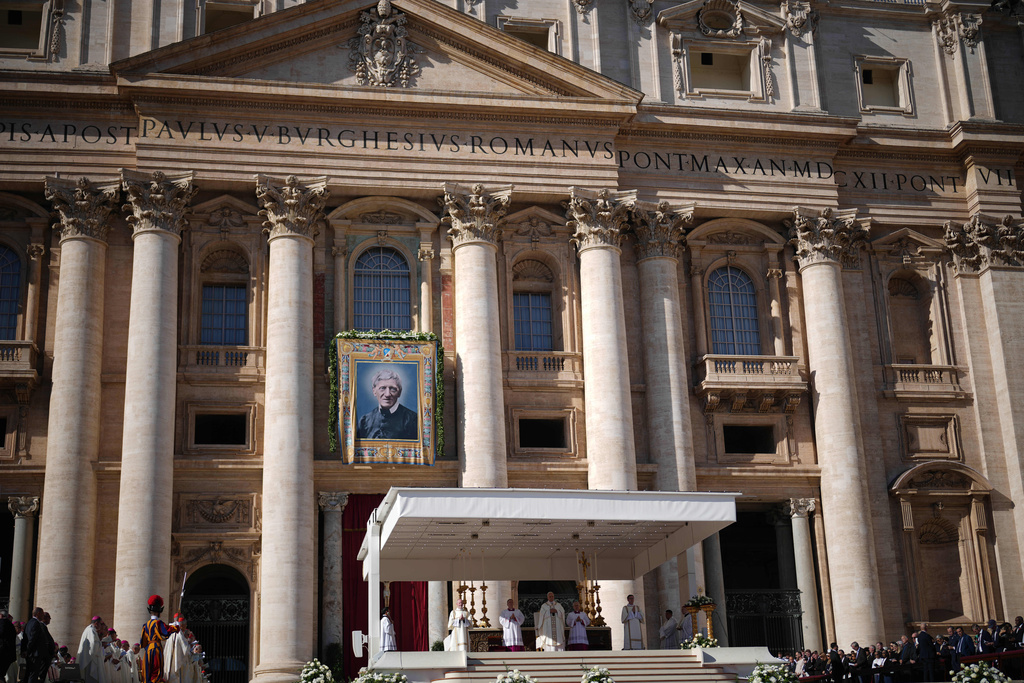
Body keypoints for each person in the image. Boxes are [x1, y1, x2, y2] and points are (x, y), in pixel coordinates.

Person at [356, 369, 418, 440]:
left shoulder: (413, 420)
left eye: (392, 389)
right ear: (374, 391)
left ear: (399, 392)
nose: (387, 394)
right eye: (382, 388)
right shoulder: (365, 421)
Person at [140, 596, 178, 683]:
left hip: (148, 650)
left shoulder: (145, 625)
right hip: (156, 648)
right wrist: (175, 627)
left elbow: (143, 641)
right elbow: (166, 631)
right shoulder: (158, 623)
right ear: (159, 612)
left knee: (147, 673)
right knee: (156, 672)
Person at [21, 608, 52, 683]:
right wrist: (27, 651)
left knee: (28, 674)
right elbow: (32, 639)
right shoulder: (36, 623)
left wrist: (24, 650)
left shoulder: (29, 623)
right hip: (35, 654)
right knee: (33, 675)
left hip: (30, 653)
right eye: (42, 614)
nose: (43, 616)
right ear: (38, 614)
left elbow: (24, 639)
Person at [77, 617, 106, 683]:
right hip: (91, 659)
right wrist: (100, 643)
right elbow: (93, 644)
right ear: (96, 623)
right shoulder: (91, 630)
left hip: (89, 658)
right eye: (101, 624)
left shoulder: (89, 629)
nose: (101, 626)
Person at [162, 615, 189, 683]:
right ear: (182, 625)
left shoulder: (171, 630)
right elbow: (185, 649)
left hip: (169, 657)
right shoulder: (178, 633)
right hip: (175, 659)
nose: (186, 627)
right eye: (185, 625)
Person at [0, 611, 16, 683]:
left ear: (1, 615)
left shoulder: (2, 623)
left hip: (2, 652)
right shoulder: (11, 625)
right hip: (9, 654)